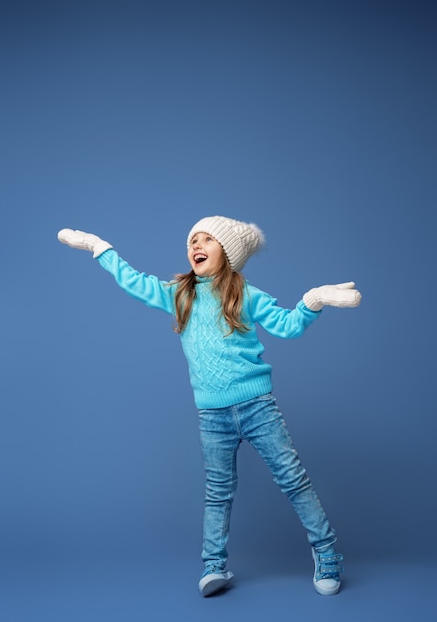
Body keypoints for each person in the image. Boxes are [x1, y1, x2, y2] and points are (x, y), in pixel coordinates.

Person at [58, 216, 361, 598]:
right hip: (212, 416)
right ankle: (214, 566)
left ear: (227, 253)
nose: (195, 245)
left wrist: (312, 301)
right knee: (218, 491)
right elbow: (134, 282)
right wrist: (99, 248)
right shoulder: (180, 293)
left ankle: (327, 554)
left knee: (293, 480)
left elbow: (287, 326)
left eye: (206, 239)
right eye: (192, 240)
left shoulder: (246, 294)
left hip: (257, 407)